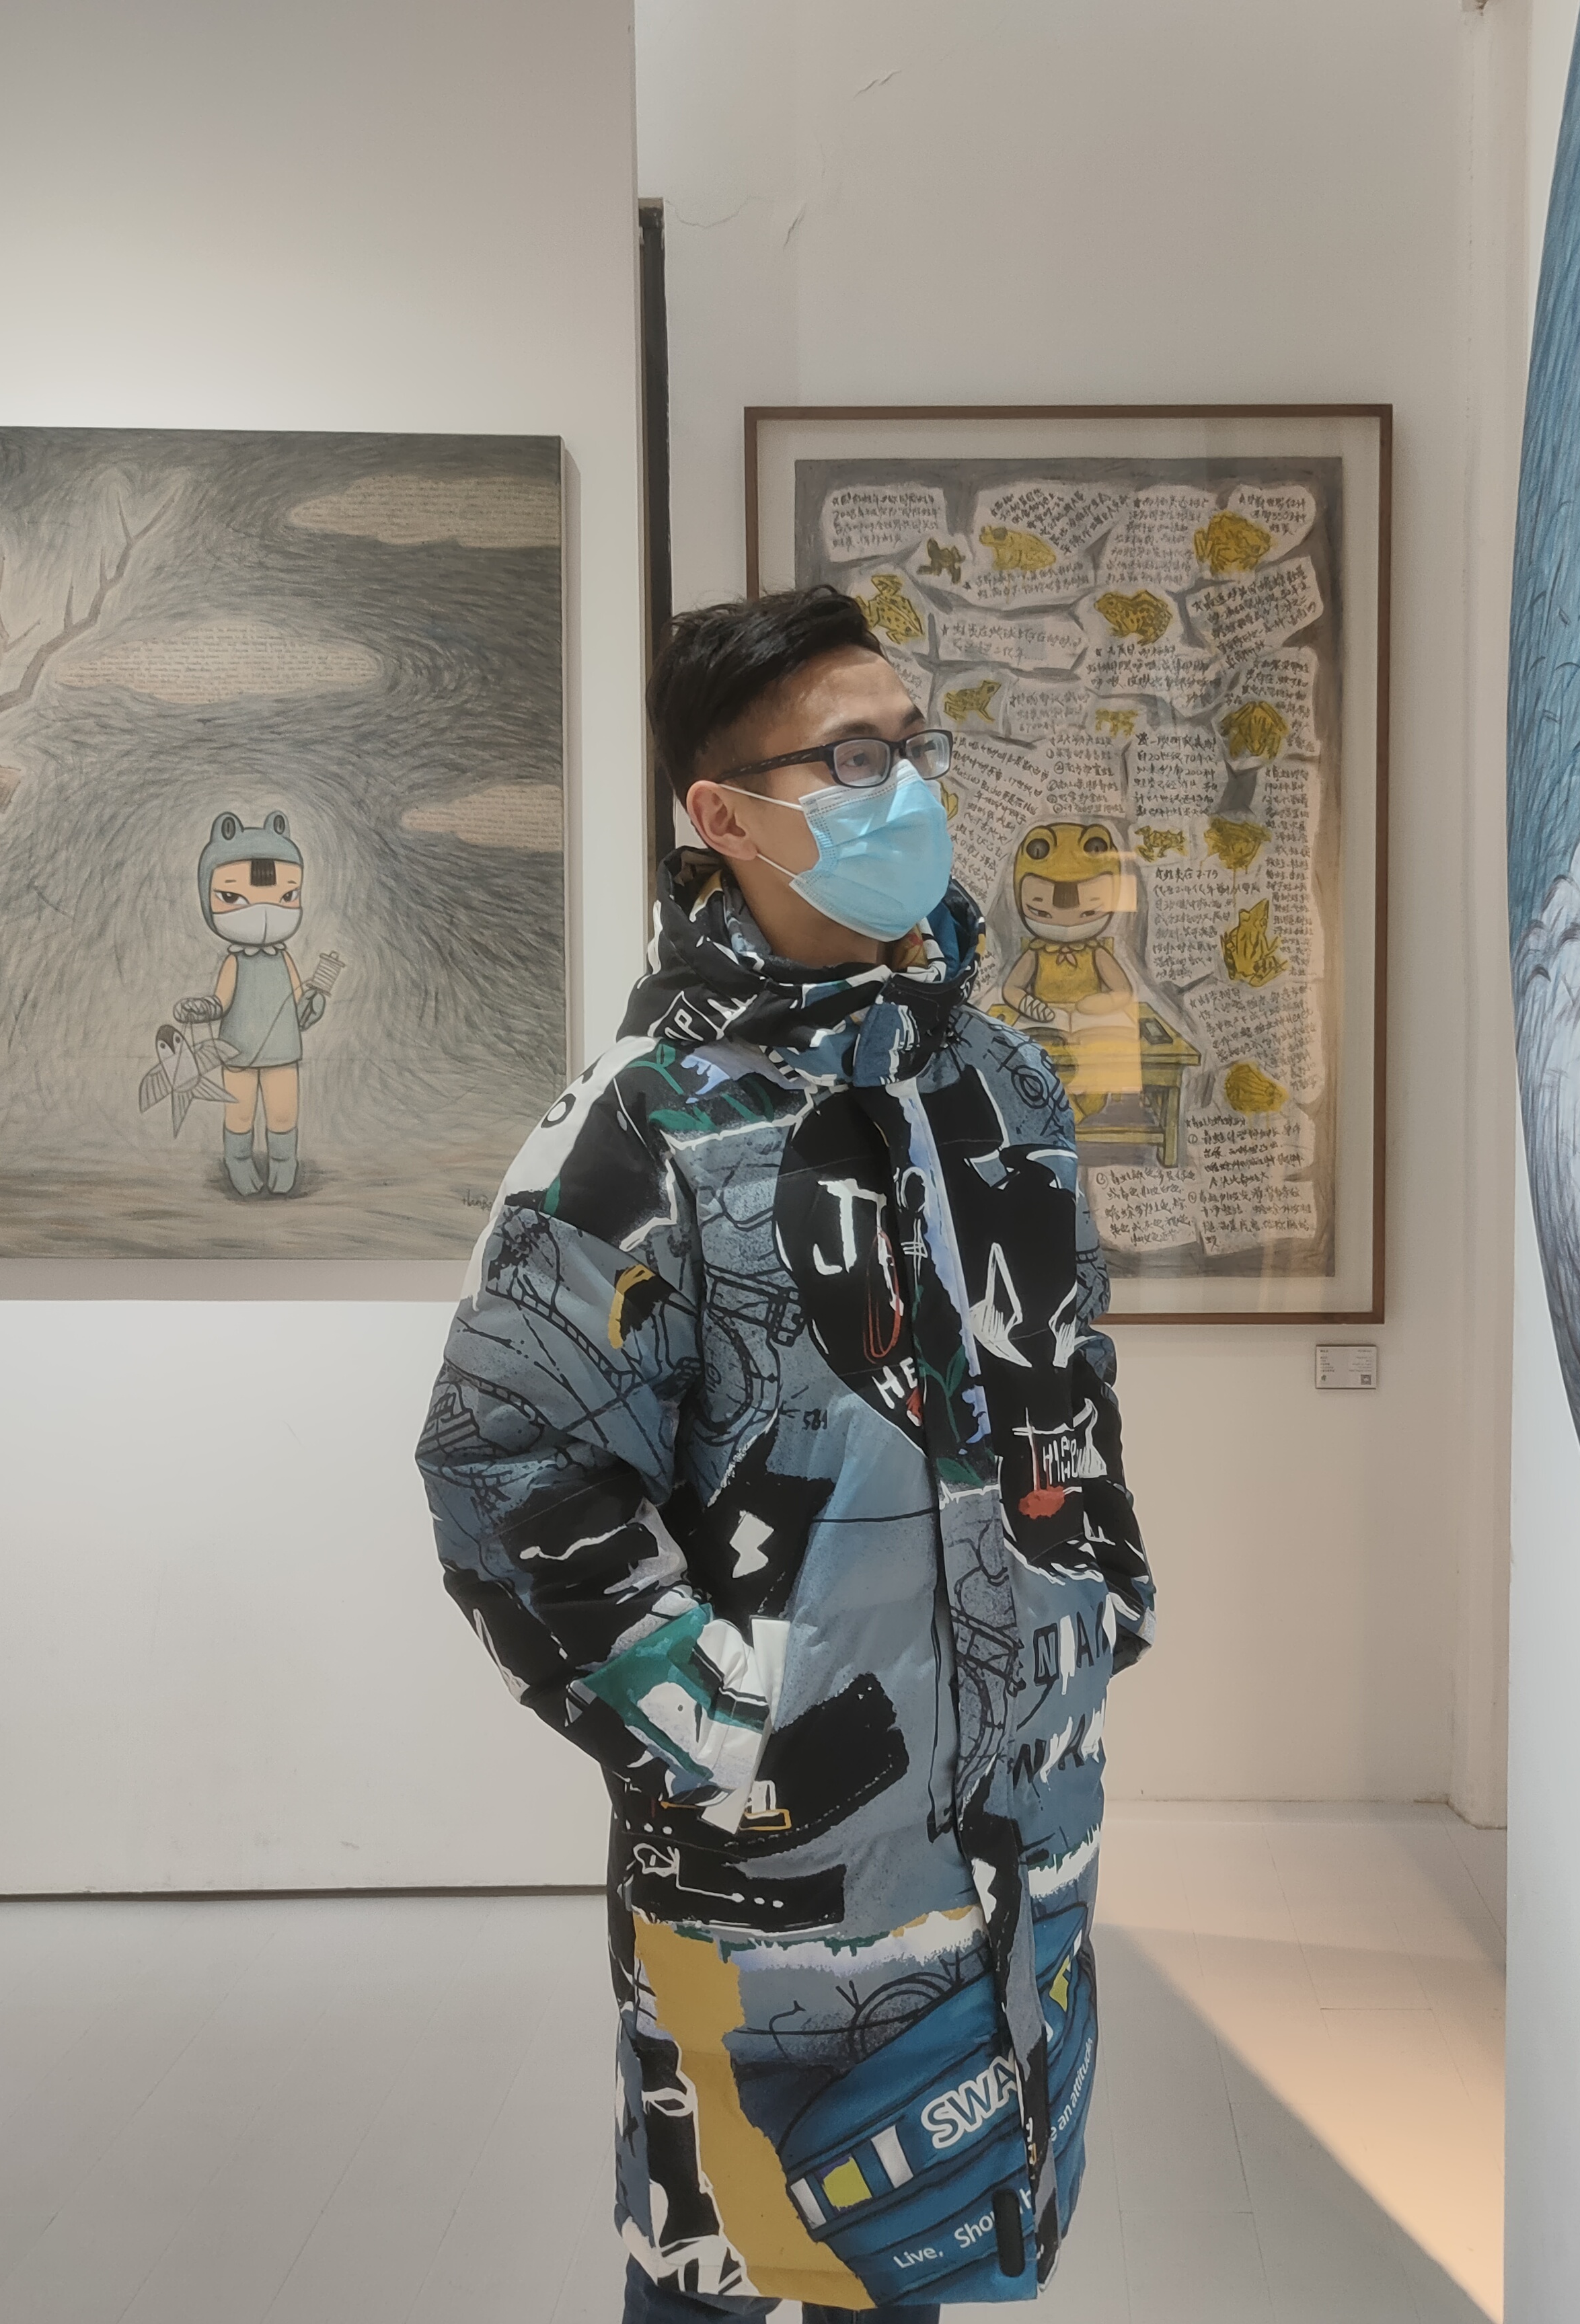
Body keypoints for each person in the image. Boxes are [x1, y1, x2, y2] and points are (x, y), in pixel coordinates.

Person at [417, 586, 1155, 2321]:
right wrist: (726, 1727)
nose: (905, 787)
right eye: (850, 757)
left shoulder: (1000, 1085)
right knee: (747, 2260)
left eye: (910, 746)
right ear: (723, 816)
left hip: (1019, 1820)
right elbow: (507, 1467)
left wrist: (1099, 1589)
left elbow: (1066, 1372)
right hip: (777, 1873)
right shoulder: (643, 1125)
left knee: (953, 2239)